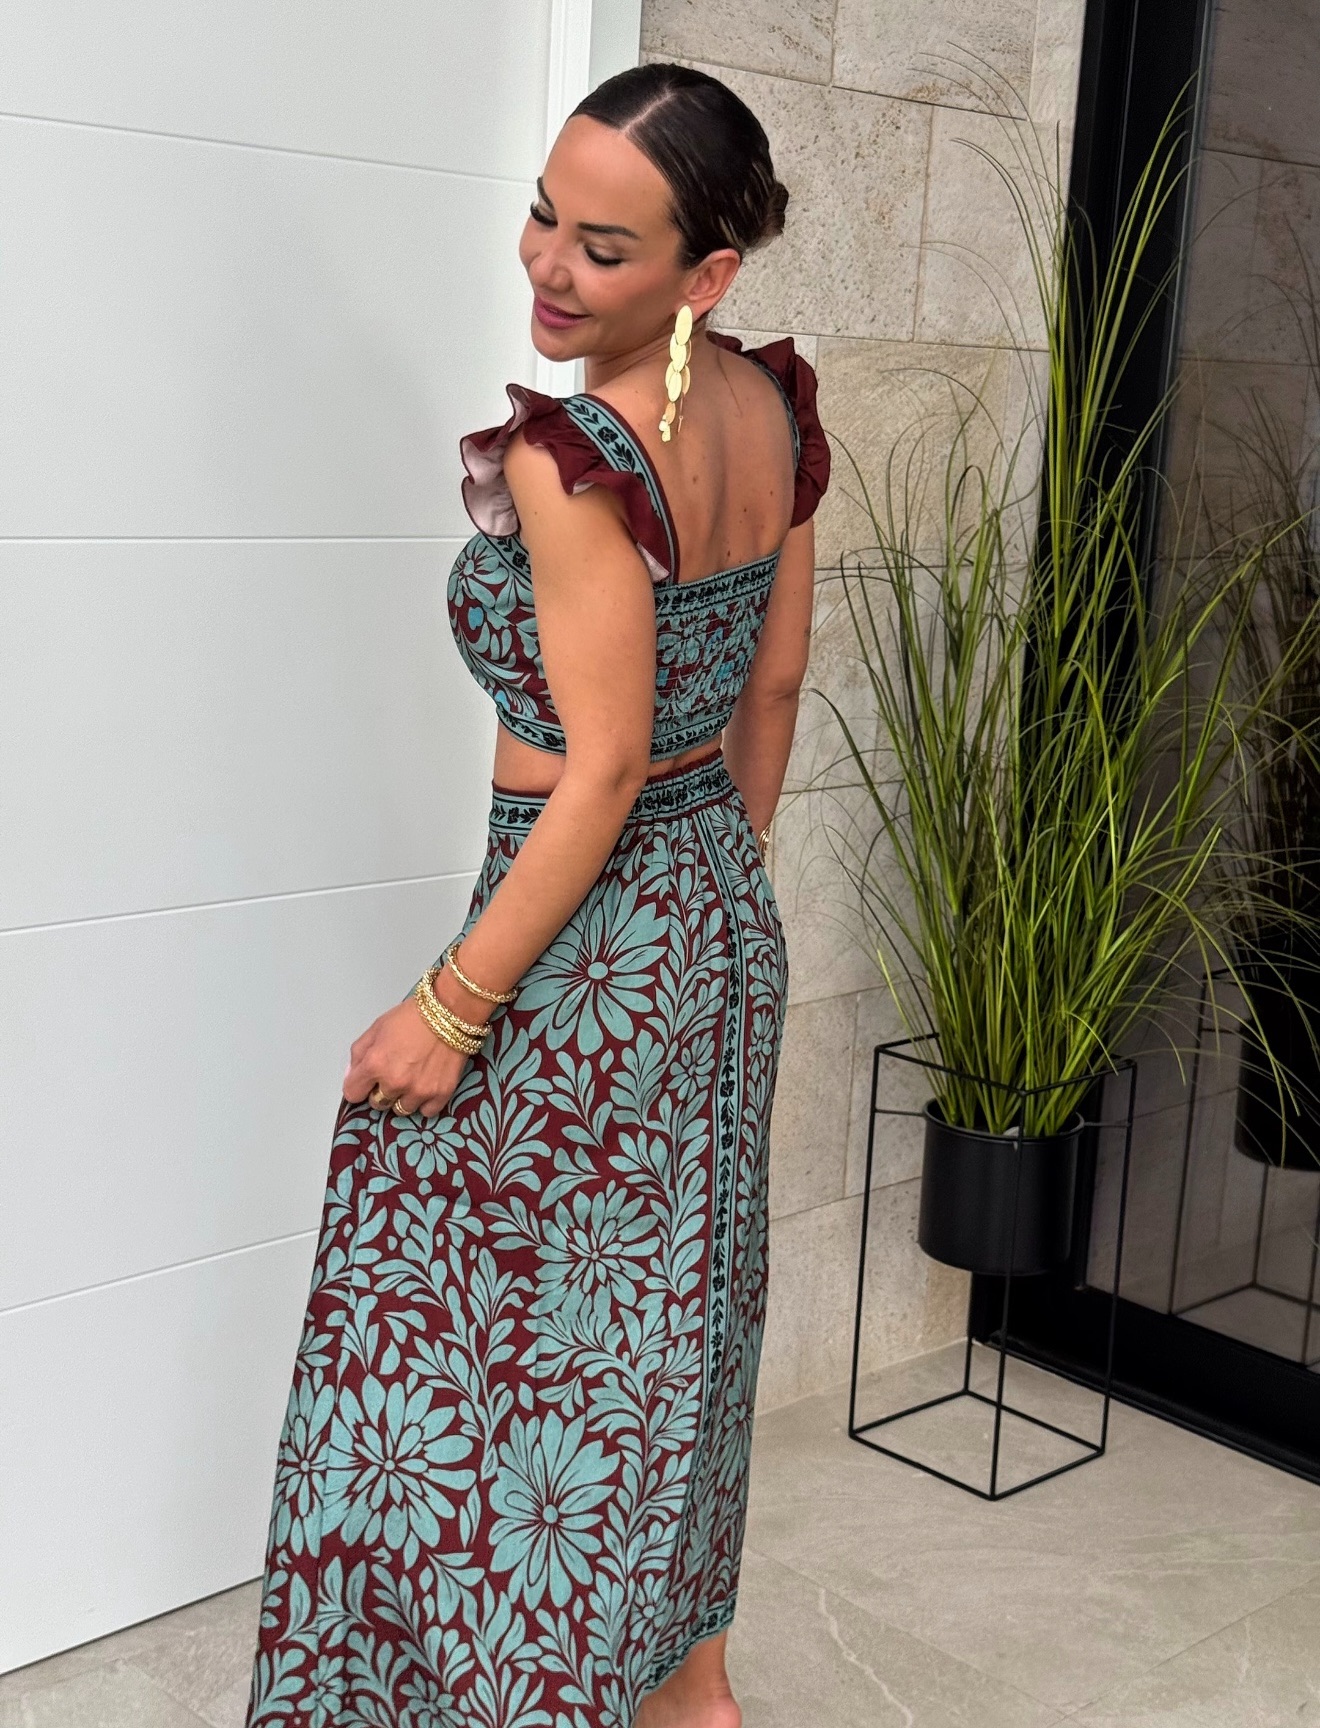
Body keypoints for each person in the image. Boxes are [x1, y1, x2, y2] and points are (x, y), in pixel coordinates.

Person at [245, 61, 829, 1728]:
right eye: (542, 218)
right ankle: (688, 1686)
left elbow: (601, 765)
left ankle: (479, 1688)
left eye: (605, 247)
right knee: (667, 1319)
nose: (550, 268)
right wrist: (712, 904)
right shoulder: (777, 411)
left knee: (437, 1320)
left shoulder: (576, 460)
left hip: (573, 924)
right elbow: (772, 690)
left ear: (707, 273)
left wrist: (449, 1009)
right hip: (714, 911)